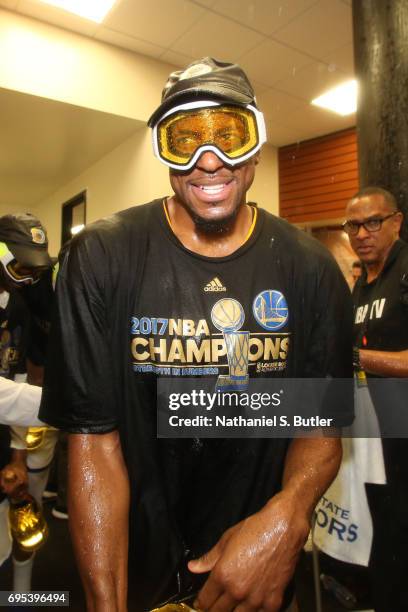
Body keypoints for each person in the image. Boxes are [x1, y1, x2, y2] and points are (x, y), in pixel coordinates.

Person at [40, 57, 352, 612]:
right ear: (162, 149)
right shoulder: (101, 258)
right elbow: (93, 442)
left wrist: (290, 514)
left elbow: (319, 427)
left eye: (230, 134)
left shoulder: (311, 270)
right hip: (136, 569)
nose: (210, 160)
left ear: (256, 141)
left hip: (257, 576)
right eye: (183, 139)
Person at [343, 185, 408, 612]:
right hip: (375, 441)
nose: (362, 232)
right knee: (385, 537)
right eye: (353, 225)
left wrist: (351, 355)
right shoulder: (362, 286)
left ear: (397, 222)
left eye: (373, 222)